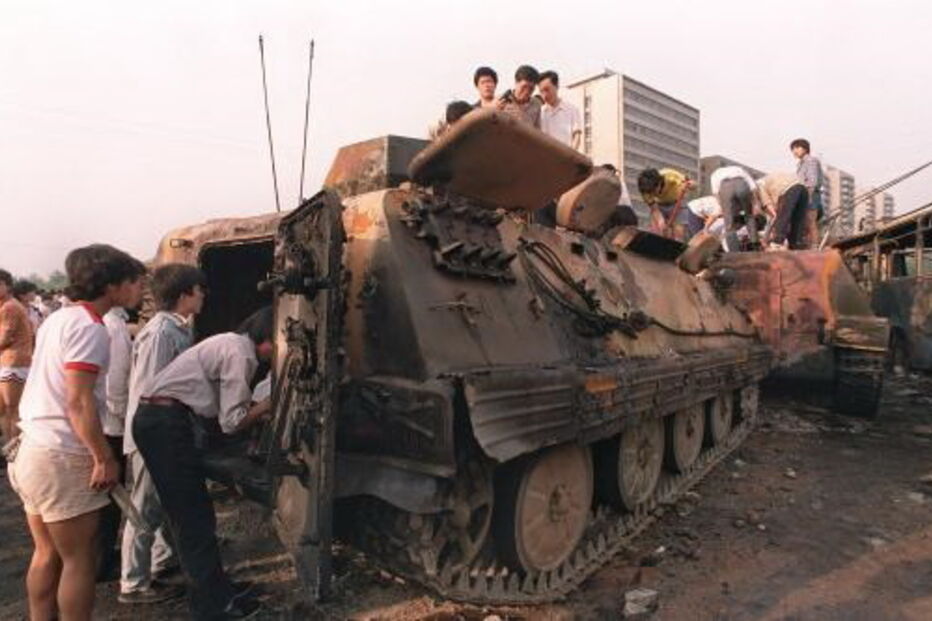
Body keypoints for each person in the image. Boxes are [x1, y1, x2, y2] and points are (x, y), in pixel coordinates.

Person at [7, 245, 145, 621]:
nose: (140, 289)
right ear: (113, 285)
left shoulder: (59, 319)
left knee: (47, 553)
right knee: (80, 560)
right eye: (135, 281)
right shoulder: (91, 327)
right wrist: (103, 456)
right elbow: (79, 402)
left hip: (32, 448)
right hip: (60, 455)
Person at [132, 307, 274, 619]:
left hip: (161, 421)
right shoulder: (242, 354)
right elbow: (232, 422)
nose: (274, 353)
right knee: (193, 519)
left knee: (195, 516)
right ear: (266, 336)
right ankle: (212, 608)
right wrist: (267, 406)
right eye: (275, 344)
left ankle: (217, 590)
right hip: (166, 424)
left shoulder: (229, 342)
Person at [120, 264, 206, 605]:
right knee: (144, 509)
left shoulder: (176, 328)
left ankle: (159, 564)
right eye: (199, 290)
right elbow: (150, 388)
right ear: (185, 294)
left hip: (164, 431)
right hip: (152, 433)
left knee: (161, 503)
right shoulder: (160, 334)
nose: (203, 296)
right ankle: (133, 582)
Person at [96, 304, 133, 582]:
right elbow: (117, 381)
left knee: (105, 497)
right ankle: (101, 560)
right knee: (112, 495)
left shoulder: (103, 323)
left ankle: (101, 555)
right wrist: (123, 420)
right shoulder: (116, 327)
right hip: (113, 424)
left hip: (103, 421)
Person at [1, 270, 35, 454]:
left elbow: (5, 337)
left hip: (14, 362)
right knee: (5, 410)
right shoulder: (6, 305)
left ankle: (13, 450)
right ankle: (10, 448)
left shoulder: (9, 307)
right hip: (10, 361)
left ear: (8, 286)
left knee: (11, 409)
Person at [710, 165, 763, 251]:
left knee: (729, 224)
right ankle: (755, 246)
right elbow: (753, 187)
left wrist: (722, 206)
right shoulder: (739, 169)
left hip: (725, 186)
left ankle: (734, 251)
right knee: (749, 216)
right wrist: (756, 203)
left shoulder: (715, 174)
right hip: (741, 183)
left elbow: (715, 192)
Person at [636, 168, 695, 240]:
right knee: (657, 230)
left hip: (677, 203)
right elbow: (655, 209)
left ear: (659, 183)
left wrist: (691, 185)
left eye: (653, 191)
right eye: (650, 193)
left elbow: (691, 184)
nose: (652, 194)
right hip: (660, 205)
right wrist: (661, 222)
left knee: (678, 231)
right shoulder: (645, 191)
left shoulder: (670, 175)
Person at [756, 173, 809, 250]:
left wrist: (765, 239)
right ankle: (795, 245)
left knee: (783, 217)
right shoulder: (768, 181)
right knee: (798, 220)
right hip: (803, 189)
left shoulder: (760, 186)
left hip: (789, 189)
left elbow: (769, 206)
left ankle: (777, 243)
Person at [791, 138, 824, 249]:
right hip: (803, 195)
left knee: (811, 221)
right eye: (793, 149)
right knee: (805, 222)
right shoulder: (800, 163)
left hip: (811, 194)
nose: (794, 151)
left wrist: (808, 197)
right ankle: (808, 245)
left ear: (805, 148)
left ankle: (814, 246)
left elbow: (812, 181)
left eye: (797, 148)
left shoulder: (810, 161)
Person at [538, 70, 581, 149]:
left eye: (547, 90)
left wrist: (570, 156)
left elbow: (577, 136)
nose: (544, 95)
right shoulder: (540, 113)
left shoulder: (572, 109)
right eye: (541, 91)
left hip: (567, 158)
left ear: (557, 86)